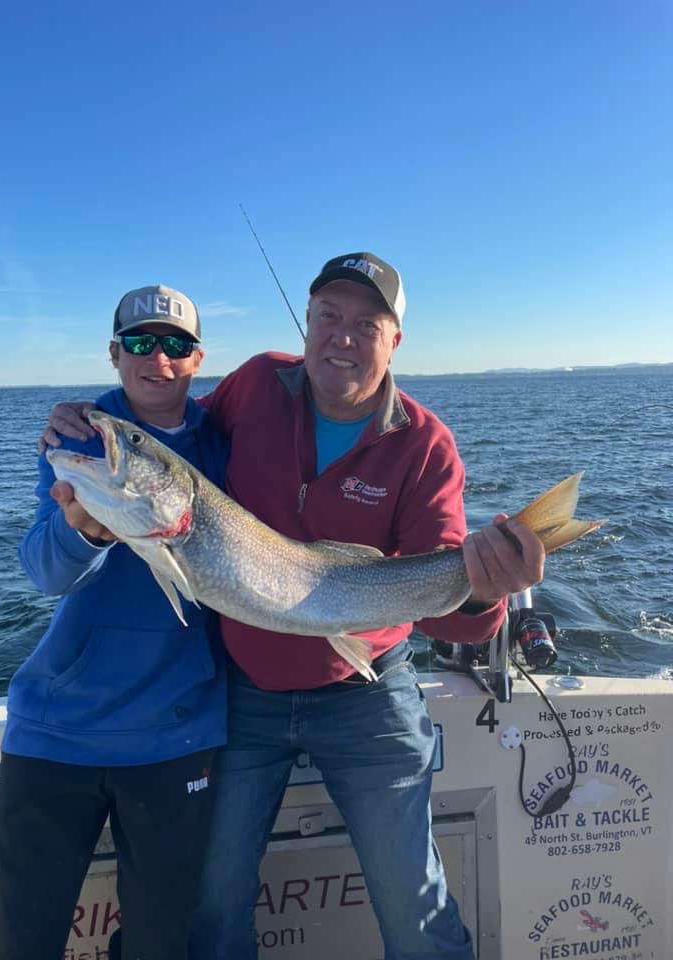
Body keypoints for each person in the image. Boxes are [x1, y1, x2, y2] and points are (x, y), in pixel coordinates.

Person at [44, 254, 545, 960]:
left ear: (395, 341)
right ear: (307, 322)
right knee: (213, 904)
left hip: (367, 690)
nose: (342, 336)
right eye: (328, 316)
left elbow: (442, 609)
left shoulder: (425, 444)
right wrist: (88, 417)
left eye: (366, 324)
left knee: (413, 901)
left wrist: (487, 590)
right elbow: (171, 424)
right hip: (244, 693)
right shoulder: (255, 384)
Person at [0, 285, 229, 960]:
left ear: (198, 358)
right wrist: (86, 531)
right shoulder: (78, 437)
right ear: (114, 353)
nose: (159, 358)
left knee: (160, 945)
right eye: (141, 342)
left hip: (176, 736)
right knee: (20, 944)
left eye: (176, 344)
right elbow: (43, 570)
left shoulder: (230, 441)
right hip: (54, 733)